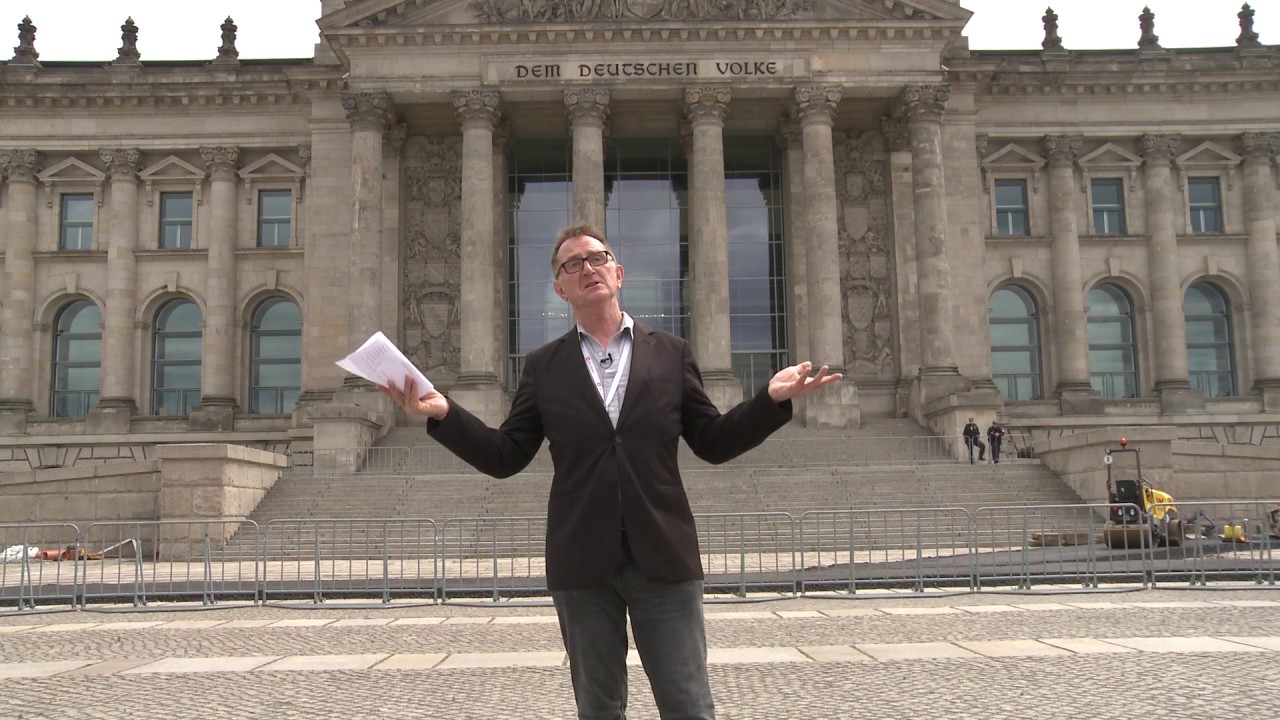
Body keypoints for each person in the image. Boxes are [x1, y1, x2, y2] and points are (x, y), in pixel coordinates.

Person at [380, 224, 841, 720]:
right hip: (582, 561)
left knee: (688, 704)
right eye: (572, 264)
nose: (587, 268)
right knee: (599, 709)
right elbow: (506, 454)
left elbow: (712, 440)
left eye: (597, 258)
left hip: (662, 554)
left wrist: (768, 402)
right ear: (560, 289)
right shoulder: (543, 367)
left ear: (617, 272)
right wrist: (444, 413)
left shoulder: (670, 353)